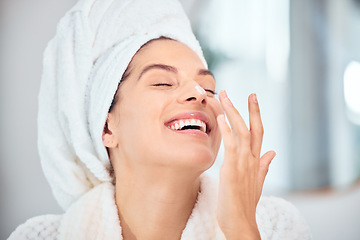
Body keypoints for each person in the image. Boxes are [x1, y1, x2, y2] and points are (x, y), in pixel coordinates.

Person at [8, 0, 311, 239]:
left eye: (208, 87)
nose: (199, 94)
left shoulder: (274, 228)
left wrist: (242, 231)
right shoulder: (40, 237)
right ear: (107, 126)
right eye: (163, 82)